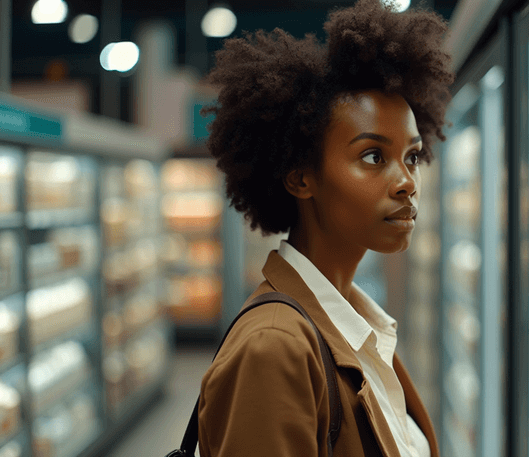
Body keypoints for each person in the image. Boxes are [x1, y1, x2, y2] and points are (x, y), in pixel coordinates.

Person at [197, 0, 454, 455]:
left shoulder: (357, 325)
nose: (407, 183)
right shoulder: (273, 349)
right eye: (373, 156)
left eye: (412, 156)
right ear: (300, 177)